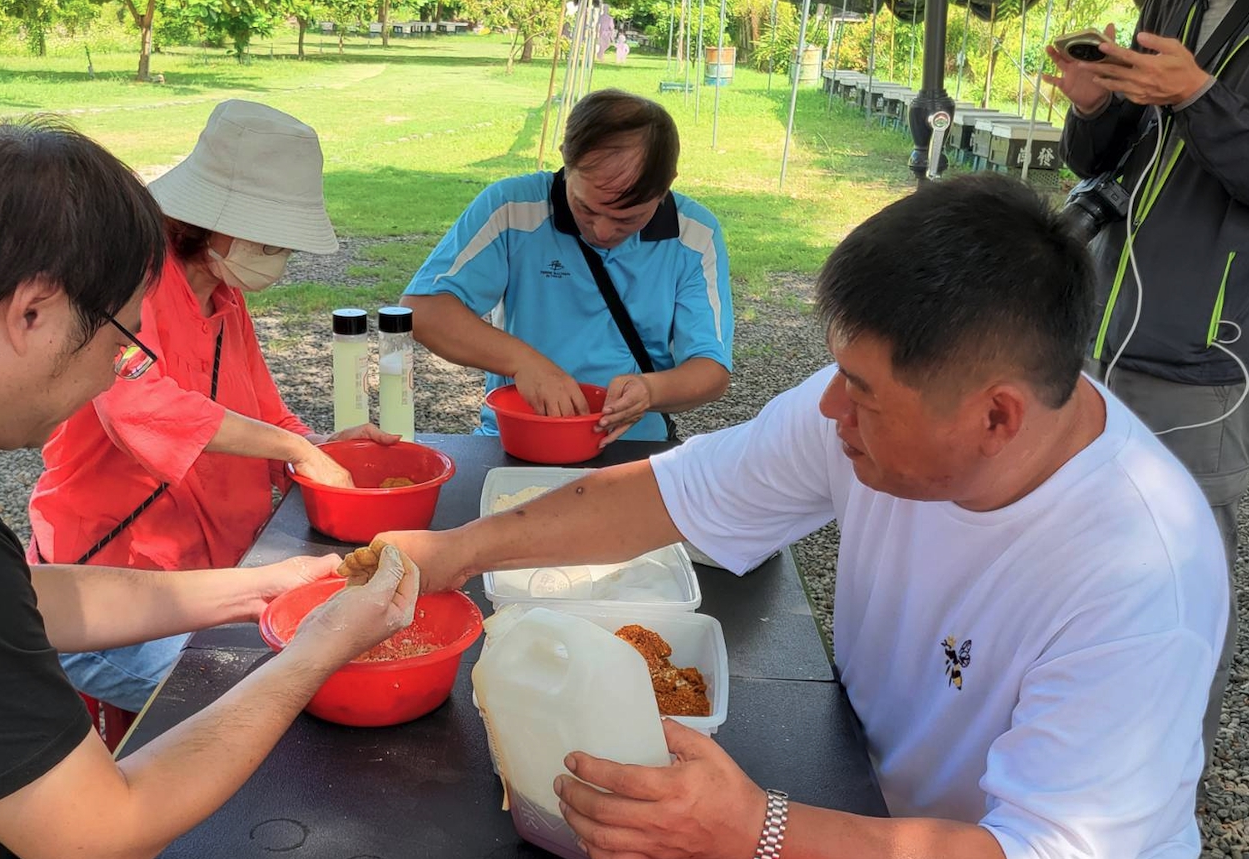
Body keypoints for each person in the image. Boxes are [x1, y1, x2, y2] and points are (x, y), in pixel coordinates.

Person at [382, 174, 1228, 858]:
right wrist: (454, 551)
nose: (829, 410)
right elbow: (673, 491)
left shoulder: (1140, 577)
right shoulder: (863, 415)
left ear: (995, 417)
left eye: (861, 391)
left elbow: (1039, 848)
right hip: (872, 801)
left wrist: (757, 829)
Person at [0, 118, 416, 859]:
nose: (109, 374)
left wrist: (262, 588)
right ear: (33, 311)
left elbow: (10, 598)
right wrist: (311, 654)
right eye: (120, 343)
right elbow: (98, 832)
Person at [27, 100, 397, 714]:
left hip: (210, 571)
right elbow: (139, 409)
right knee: (247, 702)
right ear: (207, 221)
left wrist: (321, 449)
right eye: (267, 238)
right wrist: (291, 447)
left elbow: (269, 413)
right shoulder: (130, 280)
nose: (276, 255)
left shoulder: (223, 296)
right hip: (112, 577)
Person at [1049, 0, 1249, 773]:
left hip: (1205, 359)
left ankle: (1163, 788)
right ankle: (1076, 752)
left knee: (1181, 576)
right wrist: (1097, 104)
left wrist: (1199, 95)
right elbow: (1111, 158)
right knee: (1086, 548)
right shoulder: (1172, 5)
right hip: (1109, 330)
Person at [400, 88, 733, 445]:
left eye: (629, 217)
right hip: (518, 440)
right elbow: (422, 310)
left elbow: (711, 368)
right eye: (586, 208)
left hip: (632, 448)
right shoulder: (512, 208)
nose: (603, 231)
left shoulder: (694, 234)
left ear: (667, 186)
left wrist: (650, 390)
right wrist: (523, 362)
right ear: (566, 160)